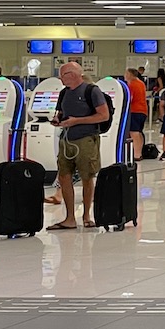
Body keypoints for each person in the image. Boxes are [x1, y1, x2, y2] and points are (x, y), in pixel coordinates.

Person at [47, 61, 108, 230]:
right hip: (66, 140)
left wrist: (78, 121)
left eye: (63, 75)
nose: (60, 79)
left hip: (86, 139)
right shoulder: (64, 93)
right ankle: (69, 217)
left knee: (87, 176)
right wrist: (58, 120)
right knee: (64, 176)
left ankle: (87, 215)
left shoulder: (92, 91)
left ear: (73, 75)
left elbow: (103, 115)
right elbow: (60, 113)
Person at [124, 68, 148, 159]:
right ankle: (140, 152)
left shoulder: (132, 84)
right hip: (143, 110)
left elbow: (130, 98)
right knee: (139, 132)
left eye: (126, 74)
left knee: (134, 133)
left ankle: (136, 154)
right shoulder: (141, 83)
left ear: (130, 75)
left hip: (135, 110)